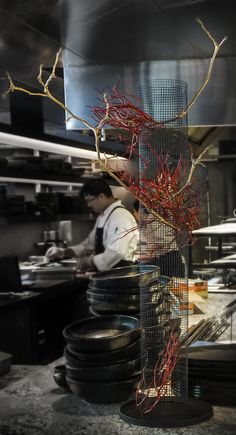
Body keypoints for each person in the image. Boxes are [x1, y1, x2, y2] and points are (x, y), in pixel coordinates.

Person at [46, 178, 138, 272]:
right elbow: (88, 246)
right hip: (108, 275)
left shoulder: (120, 217)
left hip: (121, 276)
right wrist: (63, 252)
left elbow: (116, 253)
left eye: (89, 200)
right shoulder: (103, 216)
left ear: (101, 196)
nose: (88, 205)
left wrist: (88, 261)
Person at [133, 200, 185, 278]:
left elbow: (161, 241)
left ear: (139, 212)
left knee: (172, 286)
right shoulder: (147, 222)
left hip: (170, 259)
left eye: (134, 212)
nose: (134, 215)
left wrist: (149, 251)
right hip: (163, 258)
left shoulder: (153, 218)